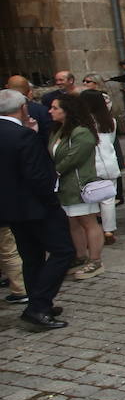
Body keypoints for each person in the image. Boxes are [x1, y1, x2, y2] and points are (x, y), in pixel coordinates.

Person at [0, 89, 72, 329]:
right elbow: (37, 175)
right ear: (22, 108)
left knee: (31, 256)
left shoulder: (19, 134)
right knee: (63, 252)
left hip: (11, 208)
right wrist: (52, 202)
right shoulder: (22, 136)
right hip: (37, 207)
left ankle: (38, 303)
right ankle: (39, 306)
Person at [47, 94, 104, 280]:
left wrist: (54, 171)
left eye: (55, 108)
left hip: (78, 184)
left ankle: (95, 260)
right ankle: (80, 256)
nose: (51, 111)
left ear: (67, 110)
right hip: (63, 185)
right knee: (72, 223)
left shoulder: (81, 132)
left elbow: (73, 158)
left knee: (88, 222)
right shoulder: (59, 130)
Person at [78, 88, 120, 246]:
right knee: (108, 200)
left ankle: (92, 230)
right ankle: (109, 230)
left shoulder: (81, 123)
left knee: (89, 199)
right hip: (108, 163)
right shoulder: (110, 121)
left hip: (90, 164)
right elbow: (111, 140)